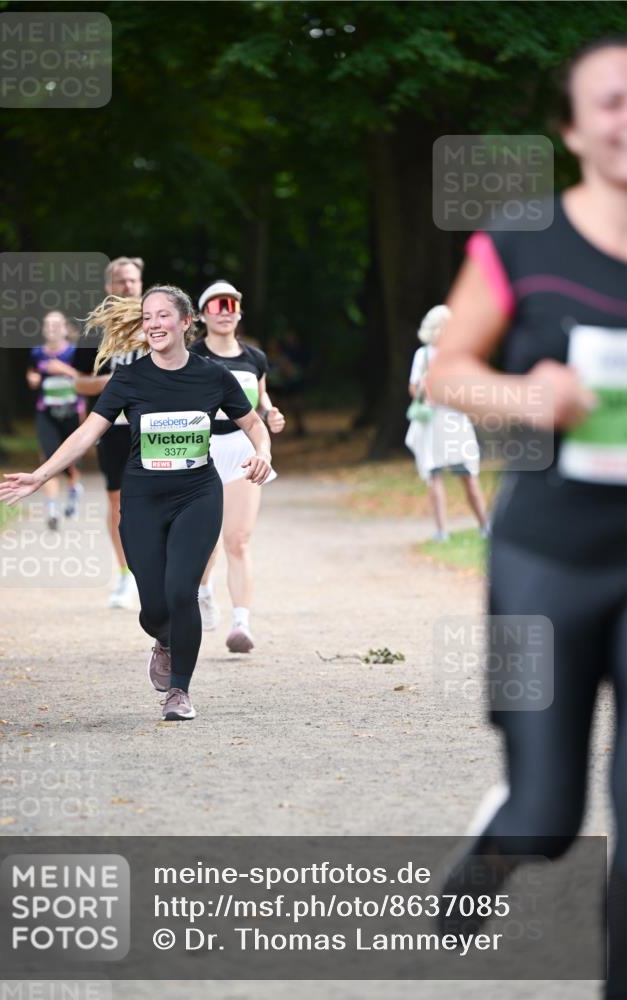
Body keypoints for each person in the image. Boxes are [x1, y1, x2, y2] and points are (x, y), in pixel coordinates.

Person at [428, 39, 627, 998]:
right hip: (547, 557)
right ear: (573, 126)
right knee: (550, 816)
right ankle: (499, 846)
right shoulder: (520, 239)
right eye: (611, 101)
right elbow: (445, 373)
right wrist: (526, 393)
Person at [0, 285, 272, 722]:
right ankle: (163, 638)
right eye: (148, 317)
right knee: (155, 609)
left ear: (185, 323)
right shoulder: (130, 378)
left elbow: (254, 423)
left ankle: (179, 691)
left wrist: (264, 453)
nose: (155, 324)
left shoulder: (211, 375)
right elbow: (88, 432)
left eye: (164, 316)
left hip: (198, 493)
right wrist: (42, 474)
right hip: (143, 497)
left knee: (183, 593)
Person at [189, 280, 285, 652]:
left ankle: (241, 624)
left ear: (240, 312)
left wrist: (271, 414)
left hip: (243, 447)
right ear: (201, 315)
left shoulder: (254, 358)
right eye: (216, 305)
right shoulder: (192, 355)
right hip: (202, 447)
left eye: (231, 304)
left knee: (239, 539)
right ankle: (202, 590)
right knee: (206, 538)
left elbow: (261, 399)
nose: (225, 310)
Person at [73, 256, 146, 609]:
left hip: (153, 429)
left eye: (132, 280)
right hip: (113, 428)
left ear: (141, 283)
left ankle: (155, 569)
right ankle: (124, 574)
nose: (127, 287)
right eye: (120, 281)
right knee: (118, 502)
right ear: (108, 287)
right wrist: (107, 383)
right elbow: (77, 382)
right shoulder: (96, 331)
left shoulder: (156, 323)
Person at [405, 304, 490, 541]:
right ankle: (443, 530)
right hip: (434, 422)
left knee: (466, 476)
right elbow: (413, 388)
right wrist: (424, 387)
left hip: (453, 421)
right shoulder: (423, 355)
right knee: (435, 475)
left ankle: (484, 524)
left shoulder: (456, 355)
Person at [26, 309, 84, 531]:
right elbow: (32, 374)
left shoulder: (74, 352)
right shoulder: (37, 352)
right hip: (46, 412)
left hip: (71, 411)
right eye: (48, 325)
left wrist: (64, 370)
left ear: (64, 329)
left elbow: (87, 380)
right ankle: (51, 510)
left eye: (56, 325)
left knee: (70, 461)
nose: (52, 329)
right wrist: (32, 378)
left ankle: (73, 489)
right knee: (48, 459)